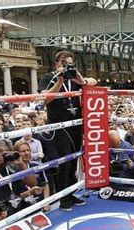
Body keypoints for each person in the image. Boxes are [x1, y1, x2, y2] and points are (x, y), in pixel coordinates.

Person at [38, 50, 97, 211]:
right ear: (57, 64)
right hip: (59, 125)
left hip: (75, 123)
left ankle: (71, 193)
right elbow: (45, 98)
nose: (67, 67)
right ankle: (64, 198)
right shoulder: (48, 78)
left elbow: (93, 82)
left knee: (74, 159)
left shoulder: (74, 77)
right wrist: (59, 81)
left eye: (70, 64)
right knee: (65, 160)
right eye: (64, 64)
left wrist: (80, 78)